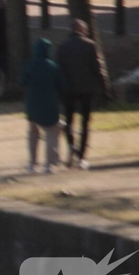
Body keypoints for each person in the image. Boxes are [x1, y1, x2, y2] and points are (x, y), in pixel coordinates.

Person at [56, 19, 103, 169]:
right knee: (85, 123)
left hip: (68, 90)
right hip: (86, 89)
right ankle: (82, 155)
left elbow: (59, 69)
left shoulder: (62, 47)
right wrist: (103, 87)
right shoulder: (90, 45)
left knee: (69, 121)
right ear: (83, 30)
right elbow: (97, 68)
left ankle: (71, 148)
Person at [22, 37, 66, 173]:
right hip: (50, 104)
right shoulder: (53, 66)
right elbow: (62, 86)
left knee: (33, 134)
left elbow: (22, 81)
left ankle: (32, 163)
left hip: (32, 104)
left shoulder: (30, 64)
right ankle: (49, 164)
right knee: (51, 134)